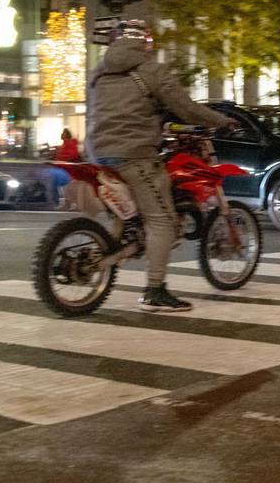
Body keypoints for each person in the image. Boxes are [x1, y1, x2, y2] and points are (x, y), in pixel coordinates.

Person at [87, 20, 235, 313]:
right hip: (135, 153)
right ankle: (155, 290)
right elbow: (187, 108)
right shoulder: (152, 71)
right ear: (145, 43)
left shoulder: (98, 73)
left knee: (133, 210)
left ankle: (120, 241)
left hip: (97, 154)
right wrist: (222, 121)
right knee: (162, 221)